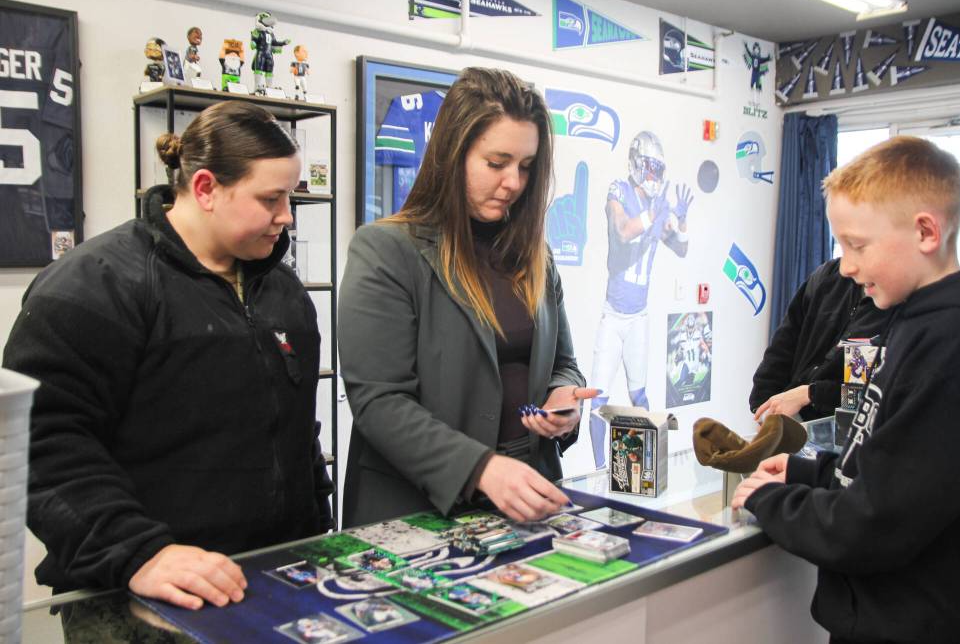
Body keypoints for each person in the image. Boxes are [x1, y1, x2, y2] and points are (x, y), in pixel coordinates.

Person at [3, 100, 333, 611]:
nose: (285, 217)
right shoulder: (96, 284)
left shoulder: (284, 291)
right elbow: (40, 443)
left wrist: (317, 535)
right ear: (205, 189)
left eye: (289, 197)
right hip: (138, 590)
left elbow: (295, 432)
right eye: (270, 198)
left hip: (270, 581)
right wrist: (139, 553)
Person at [732, 136, 960, 643]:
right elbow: (893, 468)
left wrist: (771, 500)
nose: (844, 266)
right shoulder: (913, 326)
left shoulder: (958, 345)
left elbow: (875, 525)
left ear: (926, 232)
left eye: (857, 245)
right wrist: (810, 470)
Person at [339, 67, 597, 527]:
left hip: (526, 495)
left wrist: (563, 399)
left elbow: (564, 361)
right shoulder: (386, 250)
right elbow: (380, 403)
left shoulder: (535, 255)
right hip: (415, 508)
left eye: (525, 166)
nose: (514, 182)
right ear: (451, 154)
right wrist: (480, 469)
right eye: (496, 164)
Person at [589, 130, 693, 467]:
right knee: (597, 399)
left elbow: (680, 248)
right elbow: (623, 228)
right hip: (613, 313)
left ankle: (646, 465)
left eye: (658, 170)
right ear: (635, 163)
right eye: (649, 168)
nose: (654, 177)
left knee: (639, 395)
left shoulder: (655, 204)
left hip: (639, 316)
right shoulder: (619, 190)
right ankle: (598, 471)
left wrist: (682, 221)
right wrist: (656, 214)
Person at [748, 257, 893, 422]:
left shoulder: (898, 305)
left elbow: (868, 398)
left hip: (843, 432)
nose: (847, 267)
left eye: (857, 245)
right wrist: (763, 405)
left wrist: (812, 394)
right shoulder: (827, 277)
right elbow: (782, 348)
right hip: (793, 425)